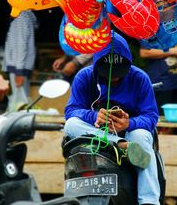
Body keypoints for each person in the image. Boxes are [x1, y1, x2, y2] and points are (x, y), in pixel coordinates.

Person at [64, 32, 160, 205]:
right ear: (96, 66)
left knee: (141, 136)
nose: (114, 77)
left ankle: (149, 201)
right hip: (95, 132)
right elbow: (71, 110)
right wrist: (94, 115)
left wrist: (129, 123)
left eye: (118, 74)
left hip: (130, 134)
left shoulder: (140, 78)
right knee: (71, 124)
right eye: (107, 74)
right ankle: (119, 144)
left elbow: (151, 116)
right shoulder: (84, 76)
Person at [140, 35, 177, 115]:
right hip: (161, 83)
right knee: (160, 120)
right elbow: (144, 52)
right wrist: (174, 51)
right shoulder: (153, 28)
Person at [2, 10, 38, 108]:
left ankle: (19, 123)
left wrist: (19, 71)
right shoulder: (23, 16)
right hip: (18, 65)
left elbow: (22, 44)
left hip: (17, 66)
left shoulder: (21, 17)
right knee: (20, 101)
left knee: (19, 103)